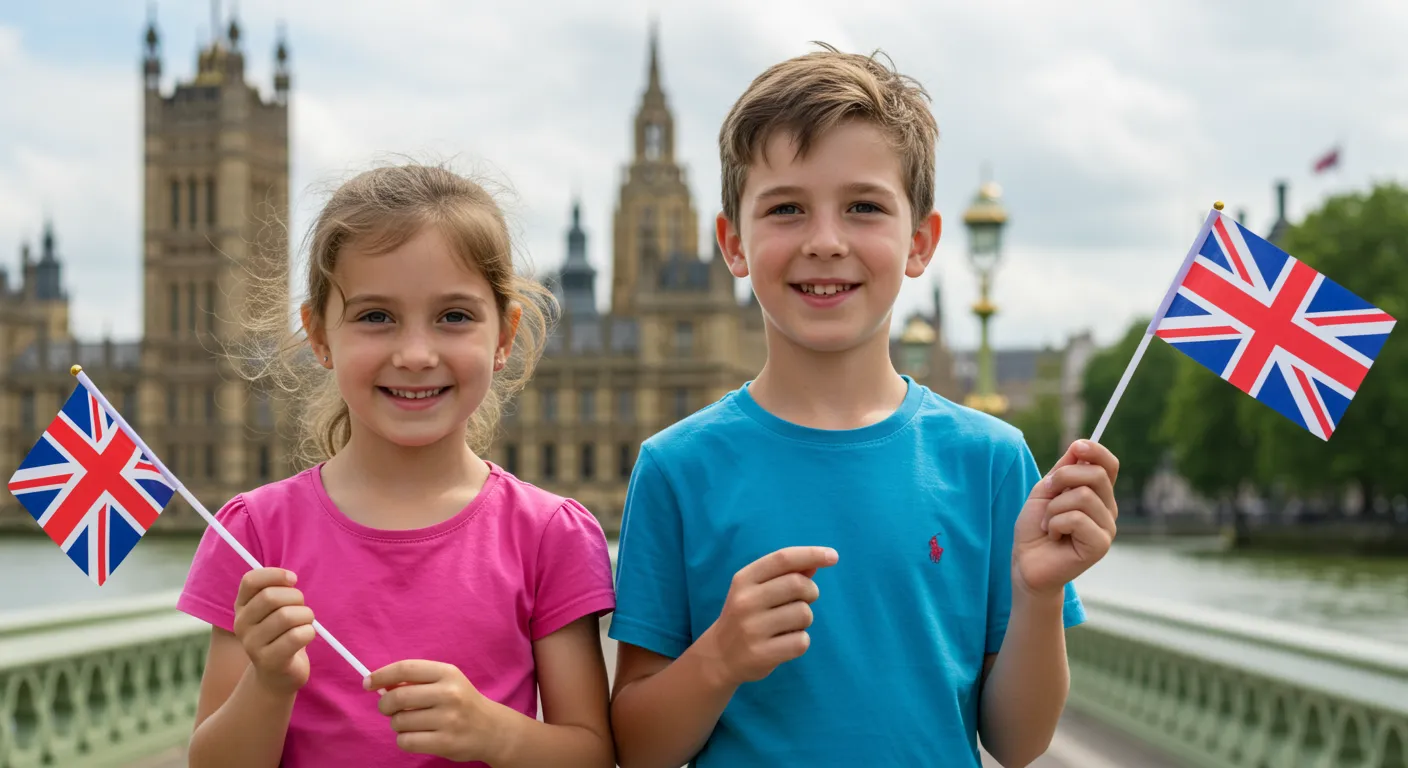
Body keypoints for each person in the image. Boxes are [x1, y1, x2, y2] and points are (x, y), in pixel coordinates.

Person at [607, 44, 1120, 768]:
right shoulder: (675, 469)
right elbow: (637, 747)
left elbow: (1019, 742)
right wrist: (718, 657)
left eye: (863, 207)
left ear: (920, 242)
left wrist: (1039, 596)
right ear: (733, 245)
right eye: (786, 208)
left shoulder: (994, 461)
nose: (825, 240)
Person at [176, 163, 617, 768]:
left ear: (505, 335)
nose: (415, 354)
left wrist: (496, 733)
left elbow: (593, 754)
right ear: (318, 336)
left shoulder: (550, 536)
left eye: (454, 316)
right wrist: (270, 682)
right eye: (375, 317)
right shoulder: (252, 533)